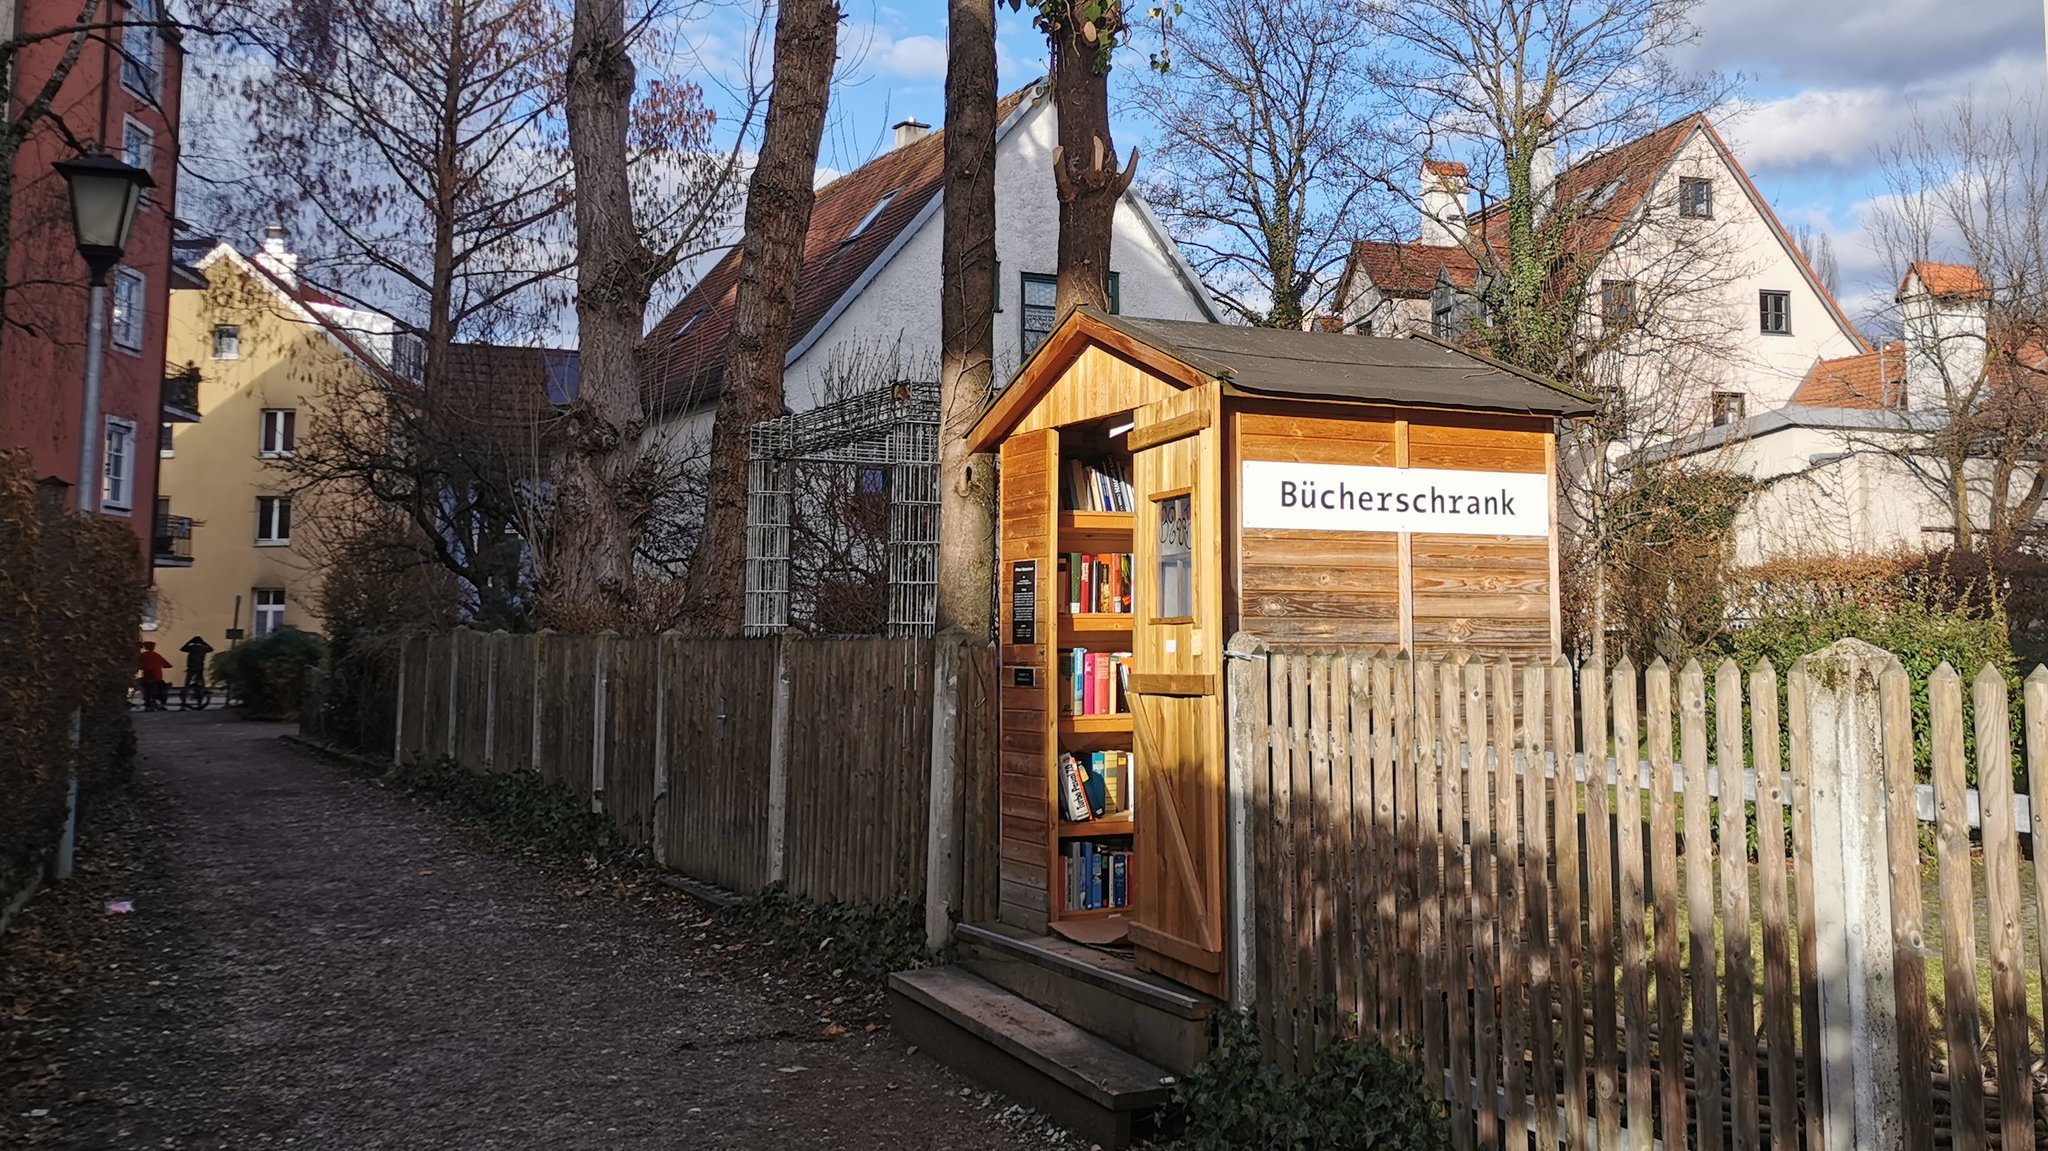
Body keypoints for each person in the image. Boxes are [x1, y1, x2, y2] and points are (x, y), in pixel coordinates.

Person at [137, 641, 172, 710]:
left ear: (145, 647)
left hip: (147, 678)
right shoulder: (156, 655)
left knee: (143, 686)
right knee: (163, 688)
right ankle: (162, 704)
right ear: (153, 648)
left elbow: (138, 665)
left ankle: (147, 705)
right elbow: (167, 665)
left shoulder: (142, 656)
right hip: (157, 678)